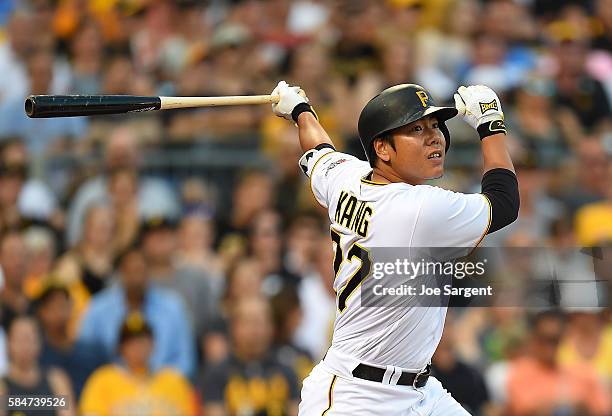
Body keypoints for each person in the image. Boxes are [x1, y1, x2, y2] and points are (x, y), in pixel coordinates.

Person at [270, 81, 519, 415]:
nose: (435, 137)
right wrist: (491, 125)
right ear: (383, 149)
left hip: (420, 392)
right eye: (416, 128)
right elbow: (504, 202)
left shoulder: (347, 176)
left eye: (435, 126)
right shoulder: (419, 207)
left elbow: (319, 152)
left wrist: (300, 112)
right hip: (356, 397)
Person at [78, 245, 196, 379]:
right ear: (120, 272)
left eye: (140, 270)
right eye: (131, 271)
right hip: (112, 387)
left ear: (149, 271)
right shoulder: (97, 308)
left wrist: (158, 383)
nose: (136, 277)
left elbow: (185, 361)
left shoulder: (173, 307)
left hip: (162, 388)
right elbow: (84, 356)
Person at [79, 312, 197, 416]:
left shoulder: (174, 381)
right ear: (121, 348)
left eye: (143, 341)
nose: (138, 347)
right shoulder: (103, 380)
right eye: (131, 342)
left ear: (153, 344)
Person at [201, 296, 299, 416]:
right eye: (248, 322)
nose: (255, 331)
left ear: (271, 328)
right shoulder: (217, 374)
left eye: (260, 322)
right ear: (234, 327)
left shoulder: (287, 371)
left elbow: (297, 411)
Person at [506, 310, 610, 415]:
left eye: (555, 339)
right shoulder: (521, 371)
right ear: (534, 338)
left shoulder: (582, 371)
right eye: (544, 338)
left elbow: (603, 409)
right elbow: (526, 409)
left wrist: (581, 407)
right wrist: (570, 404)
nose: (549, 347)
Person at [34, 283, 107, 399]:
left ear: (71, 307)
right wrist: (62, 404)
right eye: (52, 306)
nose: (59, 312)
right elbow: (12, 400)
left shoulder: (93, 351)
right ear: (42, 312)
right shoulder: (35, 354)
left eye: (63, 305)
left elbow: (109, 386)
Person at [0, 315, 75, 416]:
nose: (24, 346)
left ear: (39, 343)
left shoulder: (56, 380)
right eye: (19, 339)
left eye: (29, 339)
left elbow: (67, 413)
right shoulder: (3, 387)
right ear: (8, 343)